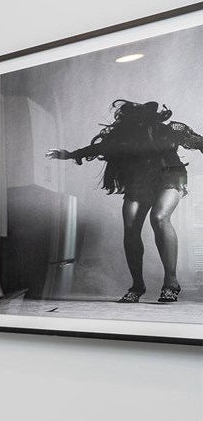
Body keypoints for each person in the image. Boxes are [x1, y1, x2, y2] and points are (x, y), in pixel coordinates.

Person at [47, 100, 203, 303]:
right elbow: (101, 147)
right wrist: (71, 155)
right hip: (140, 180)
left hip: (170, 175)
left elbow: (199, 142)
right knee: (130, 227)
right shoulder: (123, 136)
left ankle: (171, 283)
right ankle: (137, 286)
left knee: (159, 217)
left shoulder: (172, 129)